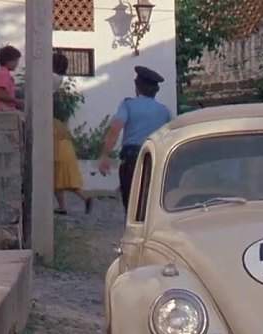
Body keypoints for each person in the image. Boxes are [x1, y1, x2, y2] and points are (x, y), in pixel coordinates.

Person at [98, 66, 172, 214]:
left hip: (132, 159)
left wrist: (105, 155)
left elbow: (115, 129)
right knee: (151, 203)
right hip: (155, 159)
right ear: (156, 90)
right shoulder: (164, 111)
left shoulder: (128, 105)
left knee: (131, 203)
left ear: (137, 87)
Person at [51, 53, 93, 215]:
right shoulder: (59, 82)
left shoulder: (52, 79)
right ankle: (75, 202)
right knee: (63, 181)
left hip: (58, 146)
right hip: (64, 145)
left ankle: (63, 206)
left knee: (57, 180)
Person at [0, 46, 24, 112]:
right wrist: (17, 101)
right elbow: (1, 94)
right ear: (8, 61)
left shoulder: (3, 73)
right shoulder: (3, 74)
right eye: (15, 61)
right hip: (2, 109)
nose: (17, 64)